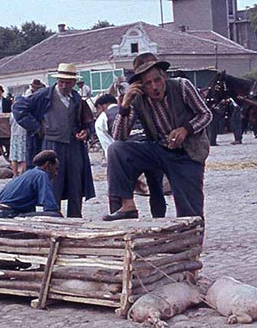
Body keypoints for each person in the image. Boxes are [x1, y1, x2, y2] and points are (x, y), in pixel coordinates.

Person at [104, 52, 212, 221]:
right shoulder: (138, 99)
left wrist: (186, 129)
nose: (154, 87)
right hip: (159, 150)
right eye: (148, 83)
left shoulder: (182, 86)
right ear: (141, 86)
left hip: (187, 154)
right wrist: (124, 105)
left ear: (164, 77)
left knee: (190, 211)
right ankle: (127, 207)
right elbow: (118, 136)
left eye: (157, 80)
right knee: (116, 150)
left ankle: (190, 238)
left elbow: (205, 115)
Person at [12, 63, 96, 218]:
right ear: (57, 81)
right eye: (61, 82)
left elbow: (88, 122)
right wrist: (37, 128)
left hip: (73, 146)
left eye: (68, 82)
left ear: (74, 83)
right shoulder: (43, 95)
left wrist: (85, 131)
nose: (64, 85)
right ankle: (52, 219)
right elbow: (18, 108)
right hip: (50, 145)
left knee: (76, 184)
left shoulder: (77, 98)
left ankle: (75, 221)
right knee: (52, 183)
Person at [94, 93, 167, 218]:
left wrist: (120, 171)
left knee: (117, 189)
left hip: (129, 155)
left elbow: (110, 148)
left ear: (101, 106)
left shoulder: (103, 118)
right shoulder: (136, 109)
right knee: (156, 188)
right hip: (150, 149)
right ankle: (159, 218)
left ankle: (120, 219)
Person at [0, 150, 62, 221]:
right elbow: (51, 207)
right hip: (6, 214)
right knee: (55, 215)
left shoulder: (29, 173)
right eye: (56, 169)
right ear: (48, 165)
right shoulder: (41, 175)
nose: (56, 173)